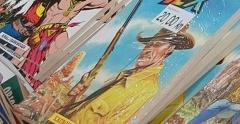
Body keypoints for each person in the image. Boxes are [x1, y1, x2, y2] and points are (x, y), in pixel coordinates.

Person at [57, 29, 194, 124]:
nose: (148, 49)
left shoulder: (146, 89)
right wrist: (76, 96)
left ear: (169, 50)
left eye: (157, 44)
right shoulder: (123, 76)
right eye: (149, 43)